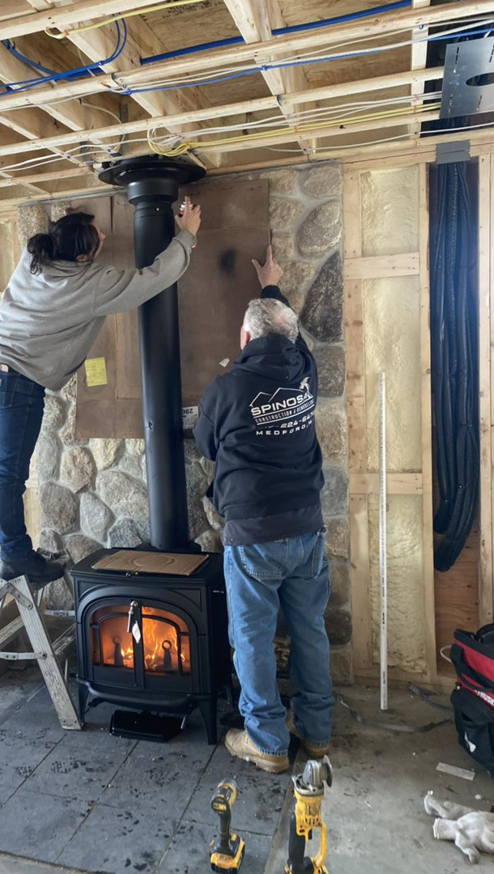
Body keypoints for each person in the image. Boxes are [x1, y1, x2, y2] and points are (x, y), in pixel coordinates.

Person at [0, 198, 202, 584]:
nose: (105, 235)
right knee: (9, 474)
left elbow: (61, 236)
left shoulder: (34, 255)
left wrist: (69, 219)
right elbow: (152, 280)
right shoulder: (92, 284)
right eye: (97, 236)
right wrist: (186, 236)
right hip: (15, 382)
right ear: (85, 256)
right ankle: (15, 556)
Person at [193, 245, 332, 774]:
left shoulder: (225, 389)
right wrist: (271, 286)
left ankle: (268, 743)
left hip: (253, 535)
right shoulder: (305, 370)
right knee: (309, 630)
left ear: (245, 339)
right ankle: (316, 735)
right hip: (307, 528)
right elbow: (282, 332)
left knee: (251, 637)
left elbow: (206, 446)